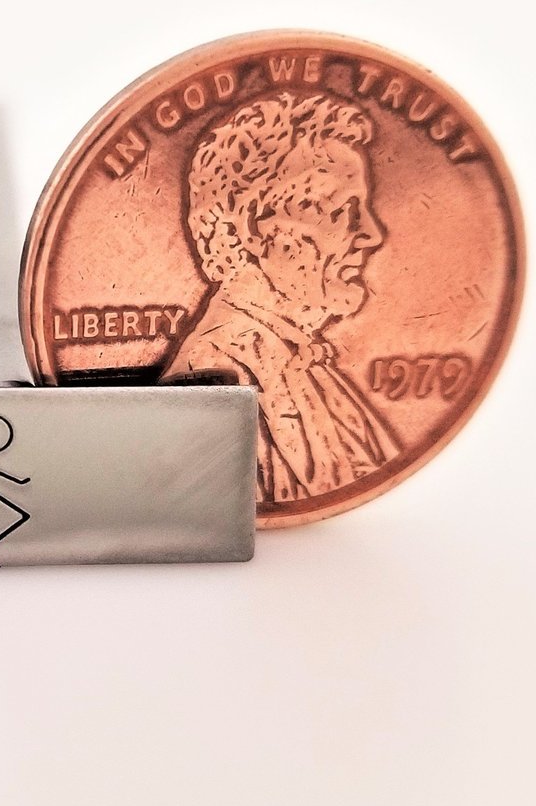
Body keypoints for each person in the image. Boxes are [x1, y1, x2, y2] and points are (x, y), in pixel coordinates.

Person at [159, 91, 401, 502]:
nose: (371, 234)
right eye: (340, 210)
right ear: (255, 228)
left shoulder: (306, 364)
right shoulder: (214, 373)